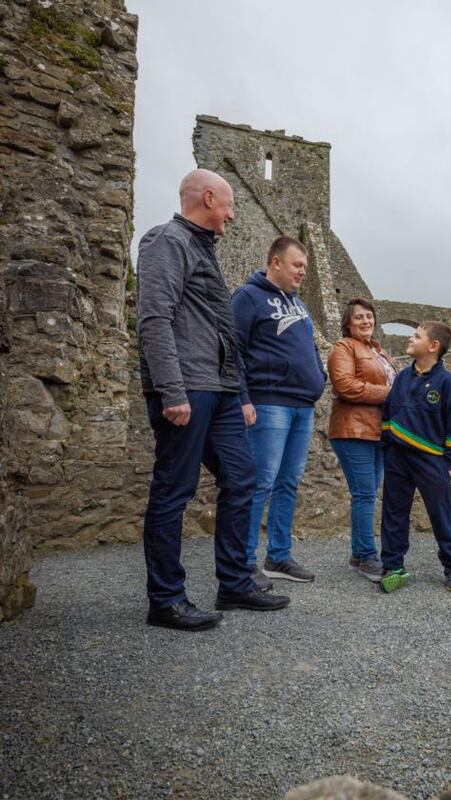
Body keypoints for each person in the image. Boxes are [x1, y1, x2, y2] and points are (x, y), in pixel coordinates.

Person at [137, 168, 290, 632]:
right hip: (188, 389)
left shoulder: (201, 248)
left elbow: (221, 332)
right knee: (174, 490)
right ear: (208, 198)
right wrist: (171, 391)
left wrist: (239, 393)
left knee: (242, 478)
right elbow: (154, 320)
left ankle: (234, 582)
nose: (231, 213)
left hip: (220, 391)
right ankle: (165, 599)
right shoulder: (167, 241)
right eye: (227, 204)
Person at [232, 236, 326, 583]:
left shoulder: (299, 304)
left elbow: (311, 348)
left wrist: (320, 375)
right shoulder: (248, 297)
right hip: (268, 403)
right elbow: (231, 349)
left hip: (302, 406)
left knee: (289, 482)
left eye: (304, 266)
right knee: (261, 482)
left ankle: (279, 557)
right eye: (297, 265)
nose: (303, 271)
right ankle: (242, 564)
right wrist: (243, 398)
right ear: (275, 263)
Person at [379, 322, 451, 593]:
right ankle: (393, 566)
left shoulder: (448, 383)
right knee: (393, 513)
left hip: (432, 461)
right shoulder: (402, 378)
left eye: (416, 336)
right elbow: (388, 414)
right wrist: (388, 445)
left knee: (441, 514)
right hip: (397, 458)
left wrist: (449, 461)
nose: (410, 338)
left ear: (433, 346)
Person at [327, 298, 397, 582]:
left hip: (376, 431)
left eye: (369, 316)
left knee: (368, 493)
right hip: (352, 429)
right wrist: (388, 394)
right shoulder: (343, 347)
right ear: (348, 323)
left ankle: (359, 553)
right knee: (365, 493)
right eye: (359, 317)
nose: (366, 321)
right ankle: (367, 556)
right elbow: (344, 386)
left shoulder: (378, 351)